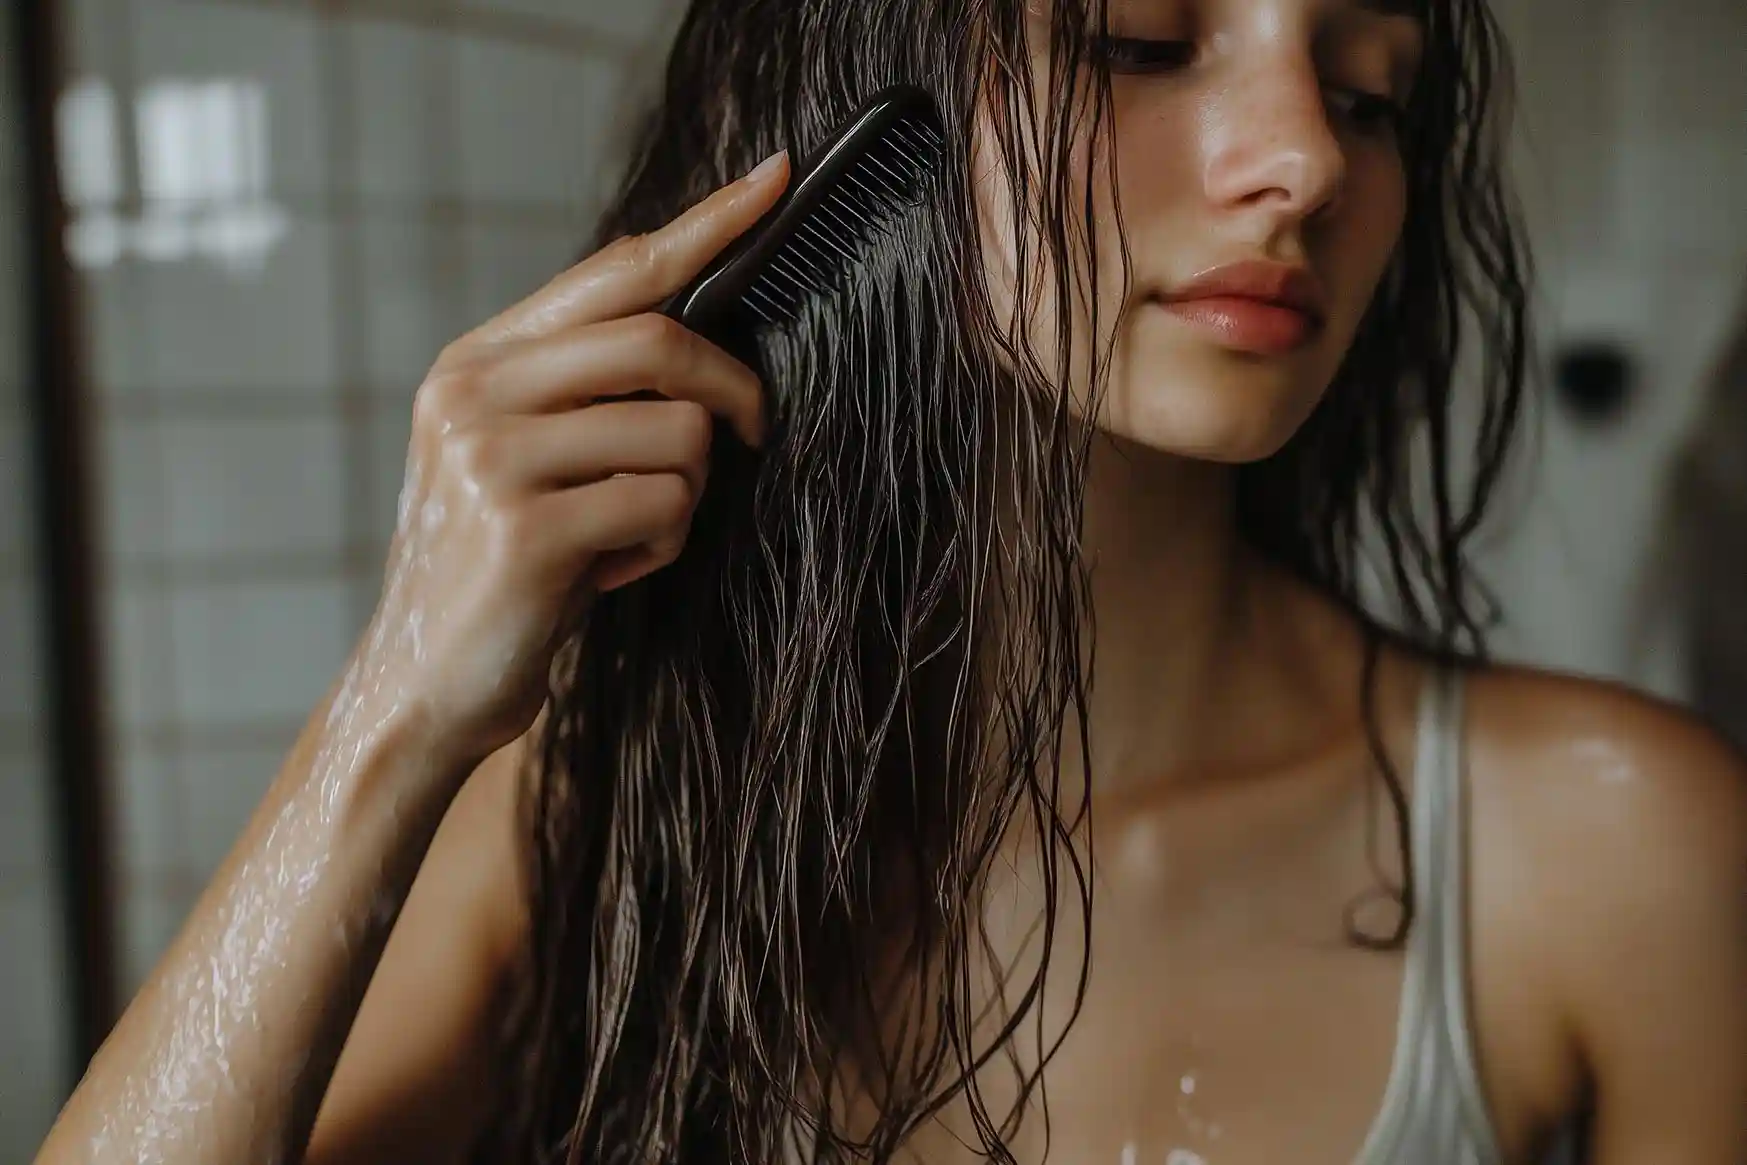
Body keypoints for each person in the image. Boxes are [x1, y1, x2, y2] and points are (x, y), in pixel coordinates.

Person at [35, 0, 1747, 1162]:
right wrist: (395, 707)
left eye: (1369, 90)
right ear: (869, 114)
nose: (1304, 160)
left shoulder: (1607, 844)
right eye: (1137, 42)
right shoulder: (589, 816)